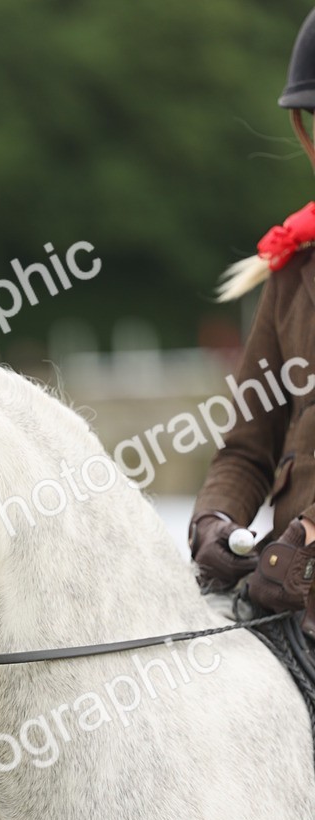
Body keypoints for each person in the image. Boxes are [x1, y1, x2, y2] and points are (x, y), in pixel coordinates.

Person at [190, 7, 315, 614]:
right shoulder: (292, 273)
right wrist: (218, 518)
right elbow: (249, 443)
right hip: (291, 602)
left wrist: (311, 534)